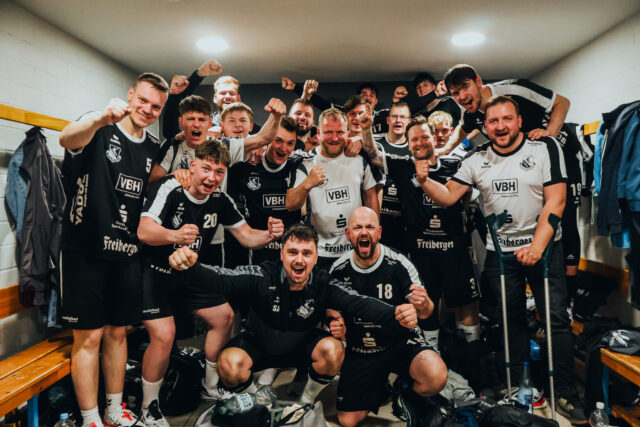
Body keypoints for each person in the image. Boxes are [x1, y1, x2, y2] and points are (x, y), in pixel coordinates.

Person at [417, 95, 585, 423]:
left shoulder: (545, 148)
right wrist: (424, 180)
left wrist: (536, 247)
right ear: (485, 126)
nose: (500, 126)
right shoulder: (476, 158)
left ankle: (565, 390)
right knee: (509, 319)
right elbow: (449, 196)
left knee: (556, 320)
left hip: (545, 249)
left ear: (520, 121)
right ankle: (519, 386)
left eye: (507, 118)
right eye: (493, 121)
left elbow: (557, 201)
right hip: (501, 253)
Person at [167, 224, 420, 405]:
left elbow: (359, 303)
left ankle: (305, 403)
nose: (299, 260)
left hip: (301, 347)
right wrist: (190, 267)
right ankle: (258, 400)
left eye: (306, 253)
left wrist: (396, 313)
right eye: (293, 252)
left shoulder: (323, 283)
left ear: (315, 257)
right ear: (282, 254)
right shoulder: (261, 276)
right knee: (228, 365)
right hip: (259, 344)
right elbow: (221, 279)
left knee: (333, 350)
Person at [136, 139, 284, 425]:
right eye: (206, 169)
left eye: (219, 172)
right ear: (192, 166)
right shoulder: (170, 188)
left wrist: (270, 235)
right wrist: (175, 235)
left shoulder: (220, 199)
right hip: (155, 273)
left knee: (224, 316)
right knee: (165, 335)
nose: (211, 178)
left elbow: (247, 236)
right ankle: (148, 407)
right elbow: (144, 231)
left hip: (189, 273)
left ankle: (211, 385)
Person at [59, 72, 169, 427]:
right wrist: (100, 118)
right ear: (130, 95)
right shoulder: (99, 124)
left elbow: (144, 179)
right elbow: (66, 137)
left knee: (118, 333)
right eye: (143, 101)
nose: (148, 109)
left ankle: (113, 409)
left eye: (156, 106)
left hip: (126, 253)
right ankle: (90, 418)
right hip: (84, 251)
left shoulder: (152, 145)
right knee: (89, 337)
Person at [442, 63, 582, 332]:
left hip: (558, 151)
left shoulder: (514, 88)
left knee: (561, 217)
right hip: (526, 167)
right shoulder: (472, 112)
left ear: (478, 82)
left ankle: (570, 299)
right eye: (455, 93)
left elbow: (562, 102)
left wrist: (549, 135)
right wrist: (442, 152)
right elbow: (462, 131)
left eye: (465, 88)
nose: (461, 96)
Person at [361, 114, 481, 351]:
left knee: (465, 303)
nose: (419, 143)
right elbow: (373, 155)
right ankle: (431, 353)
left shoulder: (455, 165)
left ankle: (474, 354)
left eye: (424, 137)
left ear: (434, 138)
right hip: (420, 252)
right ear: (408, 144)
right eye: (413, 139)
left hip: (454, 249)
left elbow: (466, 197)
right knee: (424, 305)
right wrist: (366, 129)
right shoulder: (403, 166)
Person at [328, 207, 447, 426]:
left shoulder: (399, 263)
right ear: (348, 234)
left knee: (436, 375)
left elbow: (426, 311)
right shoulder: (338, 269)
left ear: (379, 232)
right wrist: (336, 322)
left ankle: (404, 395)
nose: (364, 232)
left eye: (369, 227)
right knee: (347, 421)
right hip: (361, 349)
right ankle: (381, 387)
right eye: (357, 228)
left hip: (400, 343)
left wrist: (421, 305)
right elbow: (330, 311)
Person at [285, 107, 380, 270]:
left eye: (340, 132)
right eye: (328, 132)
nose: (334, 138)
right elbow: (291, 204)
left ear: (348, 132)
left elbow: (371, 197)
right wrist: (307, 184)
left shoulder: (359, 159)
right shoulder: (305, 163)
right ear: (319, 132)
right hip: (320, 250)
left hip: (355, 249)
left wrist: (373, 236)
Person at [227, 116, 306, 265]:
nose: (283, 149)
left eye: (290, 143)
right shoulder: (246, 165)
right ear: (268, 139)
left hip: (290, 255)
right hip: (255, 252)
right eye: (278, 140)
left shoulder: (298, 165)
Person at [373, 102, 412, 253]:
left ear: (409, 121)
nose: (398, 120)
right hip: (378, 218)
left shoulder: (414, 147)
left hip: (404, 223)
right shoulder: (375, 143)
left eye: (402, 117)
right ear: (388, 120)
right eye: (394, 116)